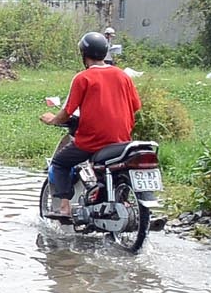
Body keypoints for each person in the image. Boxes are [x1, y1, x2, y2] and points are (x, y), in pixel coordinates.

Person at [40, 29, 142, 218]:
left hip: (94, 141)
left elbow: (67, 112)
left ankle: (64, 207)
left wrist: (52, 119)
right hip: (122, 141)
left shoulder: (82, 78)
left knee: (60, 163)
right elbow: (135, 106)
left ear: (84, 55)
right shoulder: (123, 76)